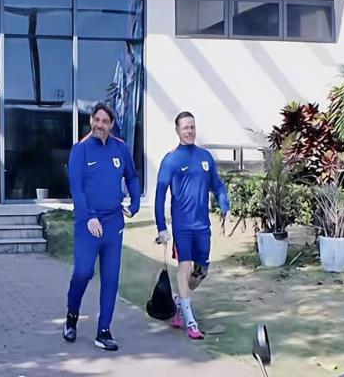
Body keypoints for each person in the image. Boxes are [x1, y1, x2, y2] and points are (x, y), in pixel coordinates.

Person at [63, 102, 141, 351]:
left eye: (105, 121)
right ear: (91, 121)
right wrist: (89, 217)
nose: (100, 125)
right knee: (83, 273)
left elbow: (132, 176)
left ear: (111, 124)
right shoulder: (81, 150)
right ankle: (71, 317)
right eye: (96, 120)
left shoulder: (121, 148)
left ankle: (104, 331)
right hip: (88, 224)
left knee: (111, 279)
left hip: (113, 223)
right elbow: (76, 188)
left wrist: (135, 203)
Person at [154, 111, 230, 339]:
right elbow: (159, 196)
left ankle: (180, 302)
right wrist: (161, 227)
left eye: (192, 127)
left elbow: (217, 185)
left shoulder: (205, 157)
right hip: (182, 226)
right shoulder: (171, 160)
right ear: (177, 130)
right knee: (184, 268)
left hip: (202, 225)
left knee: (200, 271)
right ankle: (190, 322)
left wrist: (224, 204)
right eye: (185, 127)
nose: (189, 131)